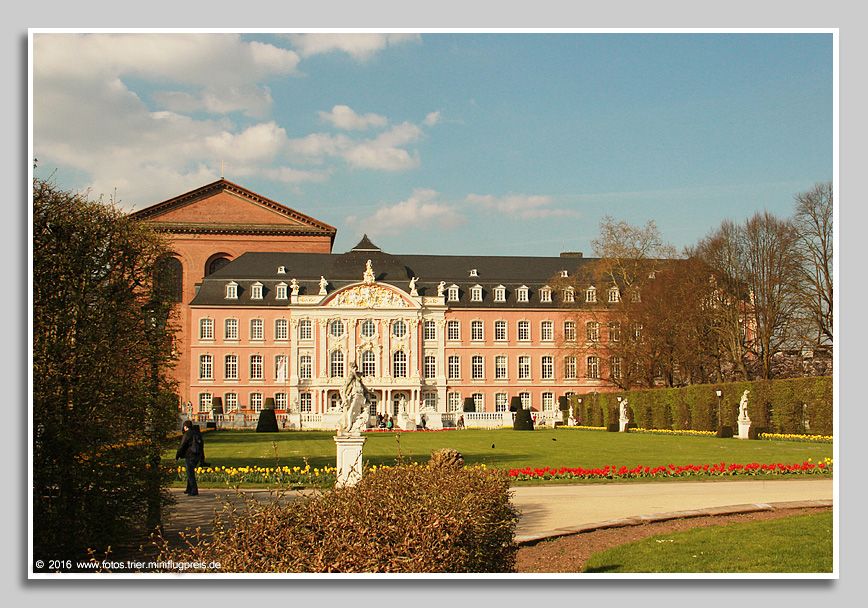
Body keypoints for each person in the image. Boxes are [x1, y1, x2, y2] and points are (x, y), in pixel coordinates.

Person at [175, 421, 204, 496]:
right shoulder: (197, 433)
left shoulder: (187, 434)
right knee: (190, 472)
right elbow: (201, 446)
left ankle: (194, 490)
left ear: (185, 427)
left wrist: (177, 456)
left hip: (190, 455)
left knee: (190, 473)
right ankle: (189, 489)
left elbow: (182, 445)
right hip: (197, 455)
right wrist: (202, 458)